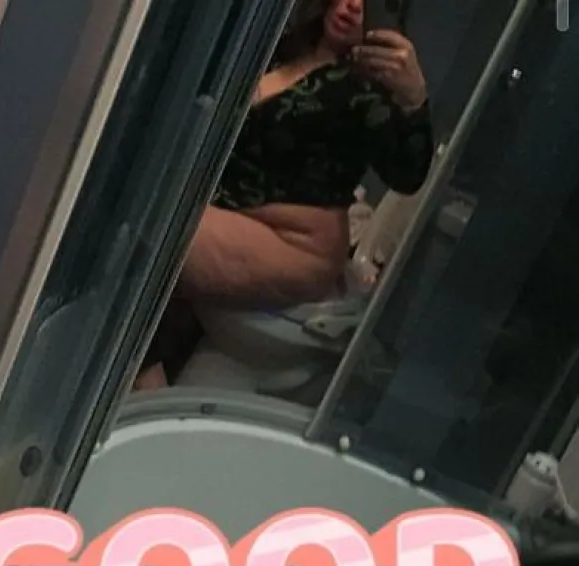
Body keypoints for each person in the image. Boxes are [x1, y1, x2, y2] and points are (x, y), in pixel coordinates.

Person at [137, 0, 433, 388]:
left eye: (369, 2)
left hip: (295, 245)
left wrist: (413, 100)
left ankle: (145, 389)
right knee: (141, 221)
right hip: (231, 217)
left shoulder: (365, 92)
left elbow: (408, 176)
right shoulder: (282, 46)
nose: (353, 5)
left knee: (144, 233)